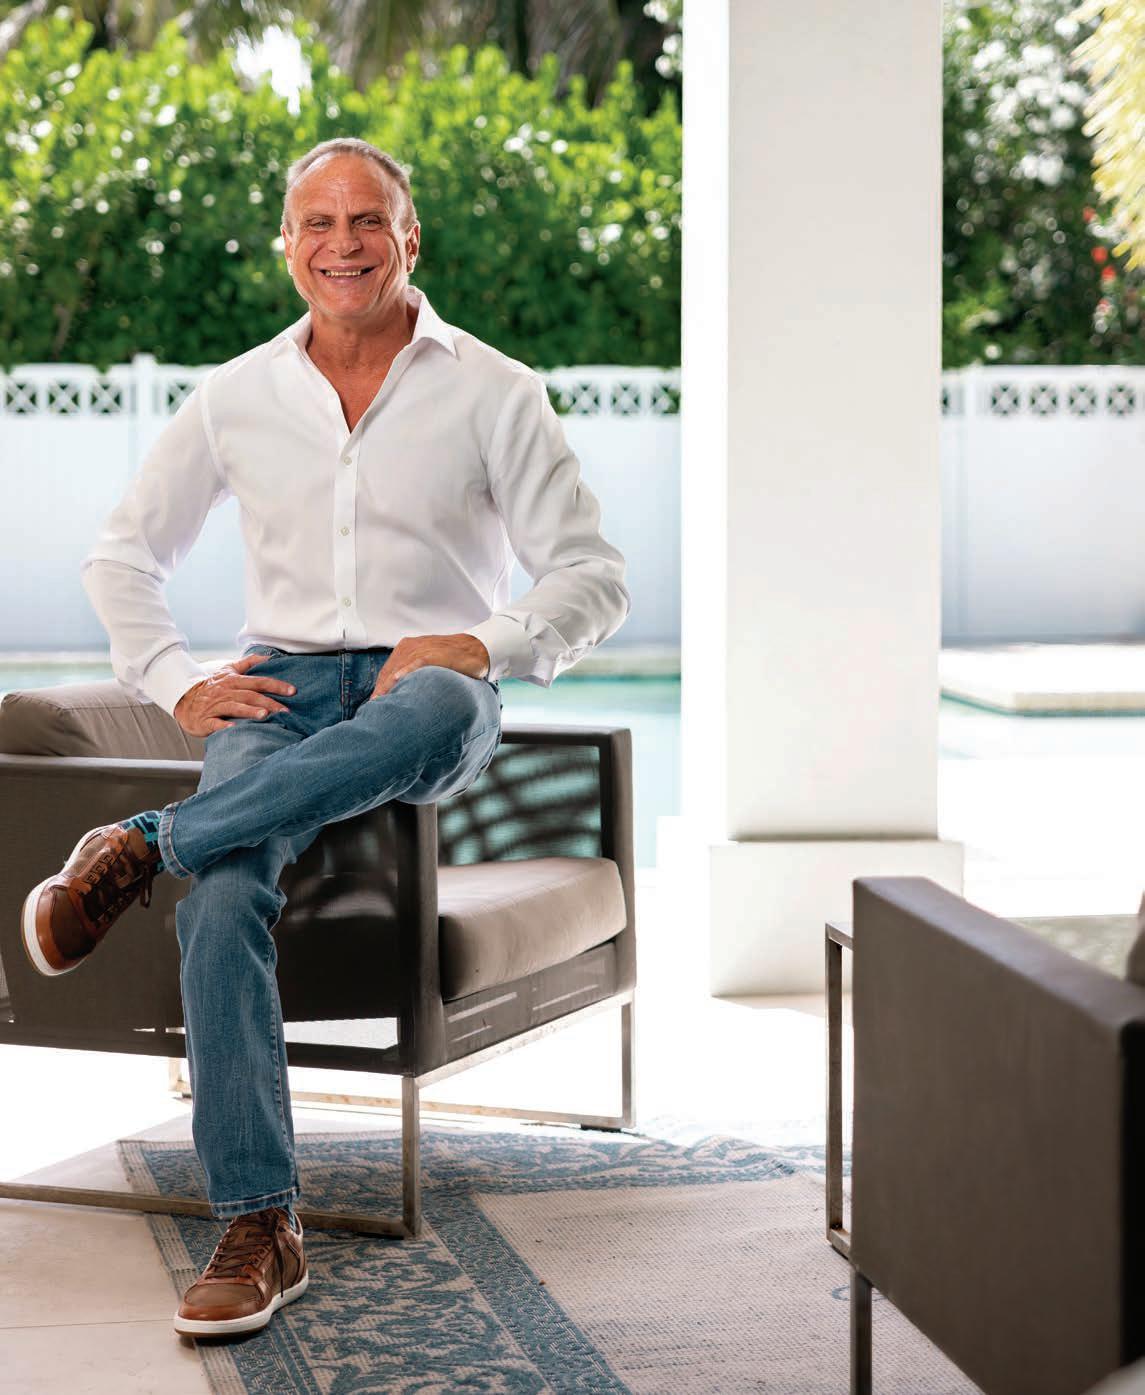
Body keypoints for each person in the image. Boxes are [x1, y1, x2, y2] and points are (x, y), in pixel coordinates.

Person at [19, 136, 630, 1338]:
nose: (341, 244)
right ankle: (260, 1223)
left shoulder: (494, 389)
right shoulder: (236, 396)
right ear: (287, 245)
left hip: (428, 688)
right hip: (279, 688)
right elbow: (121, 557)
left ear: (409, 240)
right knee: (220, 895)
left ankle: (143, 842)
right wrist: (175, 681)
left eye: (366, 221)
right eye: (316, 223)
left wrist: (482, 642)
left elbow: (591, 576)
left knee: (441, 707)